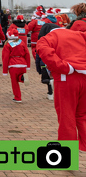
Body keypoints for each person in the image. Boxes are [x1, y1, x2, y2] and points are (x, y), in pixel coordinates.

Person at [36, 24, 86, 152]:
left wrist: (63, 67)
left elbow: (42, 50)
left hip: (66, 78)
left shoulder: (49, 37)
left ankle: (68, 155)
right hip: (84, 74)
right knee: (82, 116)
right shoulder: (79, 34)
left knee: (66, 117)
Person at [2, 28, 31, 103]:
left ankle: (18, 97)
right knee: (19, 77)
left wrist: (5, 71)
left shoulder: (7, 44)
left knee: (14, 82)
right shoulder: (22, 42)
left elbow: (5, 58)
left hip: (13, 65)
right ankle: (22, 78)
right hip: (23, 64)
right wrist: (28, 65)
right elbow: (27, 54)